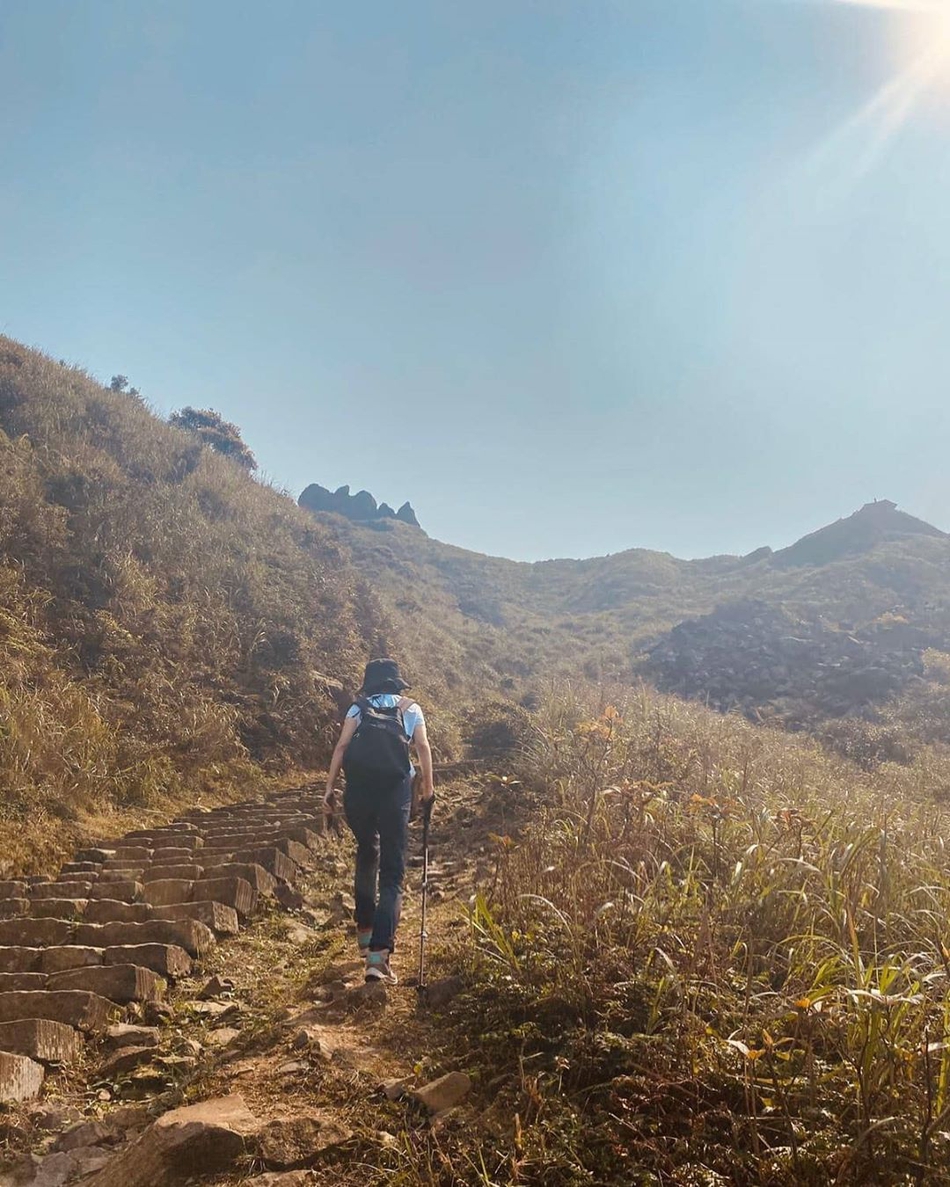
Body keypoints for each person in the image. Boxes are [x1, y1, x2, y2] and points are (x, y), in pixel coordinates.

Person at [323, 658, 434, 984]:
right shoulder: (410, 708)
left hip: (358, 795)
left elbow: (342, 747)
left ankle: (364, 934)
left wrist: (329, 790)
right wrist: (428, 791)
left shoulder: (358, 708)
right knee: (392, 873)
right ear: (396, 683)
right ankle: (378, 958)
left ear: (369, 684)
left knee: (366, 853)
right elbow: (423, 748)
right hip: (393, 793)